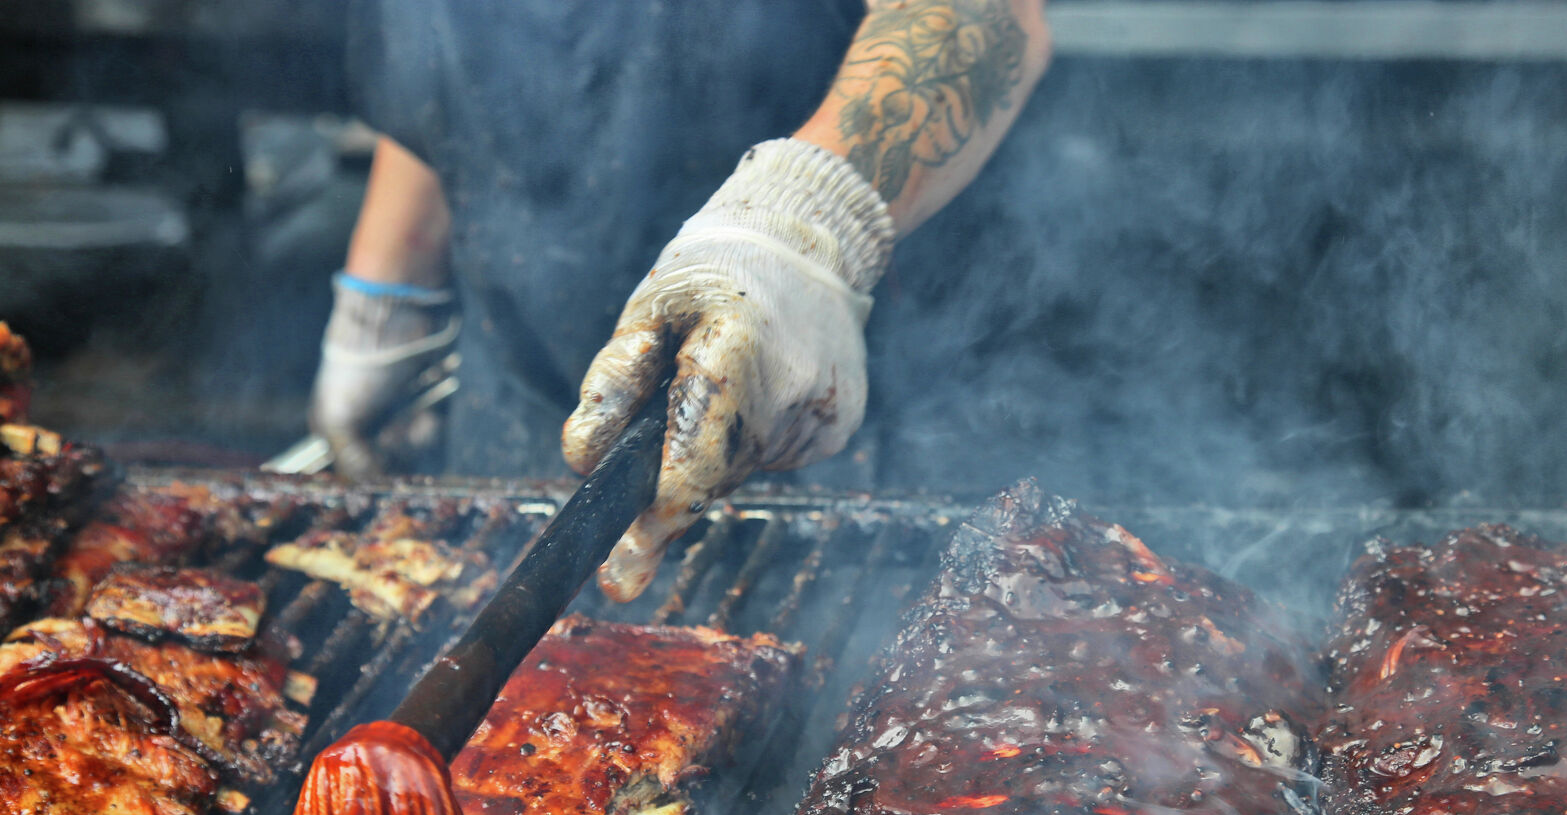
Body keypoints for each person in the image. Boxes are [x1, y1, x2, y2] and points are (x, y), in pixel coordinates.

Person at [310, 2, 1052, 601]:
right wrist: (384, 301)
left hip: (816, 418)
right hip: (520, 411)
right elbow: (444, 61)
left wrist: (805, 219)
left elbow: (981, 14)